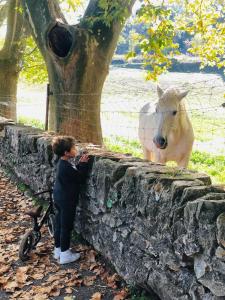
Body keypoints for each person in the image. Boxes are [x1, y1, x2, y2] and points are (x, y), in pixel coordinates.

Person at [51, 136, 89, 264]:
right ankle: (65, 254)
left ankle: (58, 249)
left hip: (59, 197)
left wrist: (79, 164)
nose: (76, 149)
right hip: (67, 200)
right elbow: (80, 178)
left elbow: (73, 173)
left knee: (59, 224)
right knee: (66, 227)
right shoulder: (66, 166)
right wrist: (83, 164)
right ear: (67, 153)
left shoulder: (62, 163)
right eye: (73, 148)